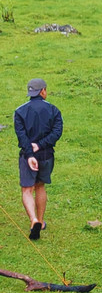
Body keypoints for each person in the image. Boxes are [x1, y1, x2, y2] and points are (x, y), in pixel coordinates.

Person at [14, 77, 63, 241]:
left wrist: (29, 154)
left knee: (27, 190)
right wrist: (40, 145)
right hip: (46, 155)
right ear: (43, 91)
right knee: (40, 186)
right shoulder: (54, 110)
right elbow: (57, 133)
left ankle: (33, 220)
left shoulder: (20, 112)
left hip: (27, 156)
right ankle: (41, 222)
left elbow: (21, 137)